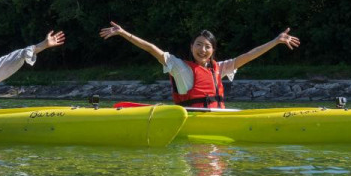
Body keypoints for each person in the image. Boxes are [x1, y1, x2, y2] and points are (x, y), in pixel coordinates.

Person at [99, 22, 300, 108]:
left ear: (213, 50)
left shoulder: (219, 68)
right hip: (192, 117)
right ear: (191, 47)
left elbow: (248, 56)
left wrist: (276, 41)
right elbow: (152, 49)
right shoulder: (179, 67)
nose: (202, 50)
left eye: (207, 47)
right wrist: (124, 33)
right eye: (198, 45)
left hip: (218, 118)